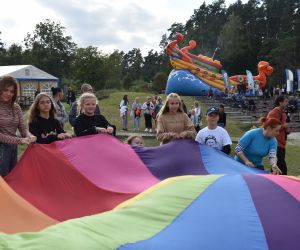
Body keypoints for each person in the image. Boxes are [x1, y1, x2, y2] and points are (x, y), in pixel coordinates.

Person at [0, 76, 36, 176]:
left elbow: (22, 128)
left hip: (12, 149)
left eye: (12, 91)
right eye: (5, 90)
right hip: (1, 150)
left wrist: (29, 135)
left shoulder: (16, 107)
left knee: (12, 178)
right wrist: (19, 140)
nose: (9, 94)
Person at [267, 95, 291, 175]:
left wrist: (288, 130)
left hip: (282, 143)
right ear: (280, 102)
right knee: (281, 168)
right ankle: (278, 184)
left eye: (288, 101)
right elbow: (269, 126)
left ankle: (275, 184)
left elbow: (284, 129)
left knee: (278, 167)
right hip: (275, 143)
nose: (287, 103)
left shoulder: (284, 114)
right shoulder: (274, 112)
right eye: (286, 101)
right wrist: (284, 126)